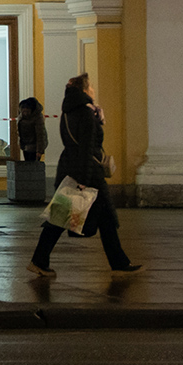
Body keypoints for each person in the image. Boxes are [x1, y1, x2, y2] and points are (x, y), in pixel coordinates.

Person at [29, 75, 139, 277]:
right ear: (85, 90)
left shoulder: (69, 112)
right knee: (60, 218)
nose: (94, 89)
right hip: (87, 172)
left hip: (71, 166)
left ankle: (119, 262)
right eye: (91, 86)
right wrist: (84, 180)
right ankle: (39, 259)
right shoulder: (86, 114)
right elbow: (88, 148)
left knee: (101, 219)